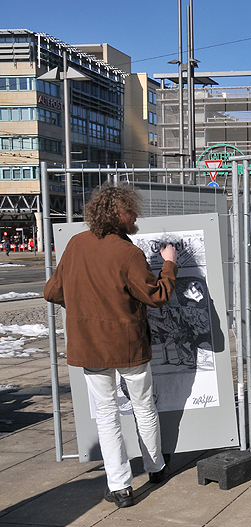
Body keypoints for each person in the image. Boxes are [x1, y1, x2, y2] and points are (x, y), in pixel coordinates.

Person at [43, 184, 178, 509]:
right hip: (129, 346)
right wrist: (169, 263)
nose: (136, 216)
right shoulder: (127, 252)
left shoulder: (76, 245)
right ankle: (155, 467)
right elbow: (157, 296)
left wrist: (84, 307)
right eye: (132, 211)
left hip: (91, 346)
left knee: (106, 415)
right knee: (143, 406)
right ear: (119, 215)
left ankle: (120, 488)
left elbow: (52, 291)